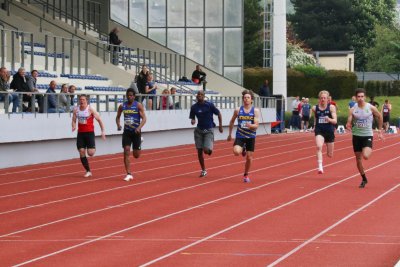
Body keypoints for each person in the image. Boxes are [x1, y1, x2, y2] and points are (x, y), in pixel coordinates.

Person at [346, 88, 384, 188]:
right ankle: (364, 178)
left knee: (366, 156)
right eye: (358, 97)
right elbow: (349, 119)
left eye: (362, 96)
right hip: (356, 136)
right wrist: (348, 124)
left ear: (365, 97)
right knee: (358, 159)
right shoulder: (353, 109)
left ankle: (366, 147)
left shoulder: (371, 108)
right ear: (355, 98)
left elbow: (380, 117)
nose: (360, 98)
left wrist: (380, 130)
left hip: (367, 135)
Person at [227, 90, 260, 183]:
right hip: (240, 135)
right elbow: (232, 121)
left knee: (249, 158)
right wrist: (229, 134)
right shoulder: (238, 110)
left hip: (251, 136)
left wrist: (251, 126)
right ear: (243, 99)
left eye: (248, 98)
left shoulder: (255, 111)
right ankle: (243, 148)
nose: (246, 99)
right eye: (245, 98)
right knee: (236, 152)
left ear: (251, 100)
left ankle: (246, 175)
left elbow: (256, 125)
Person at [189, 90, 223, 177]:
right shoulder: (194, 107)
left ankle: (209, 149)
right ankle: (203, 170)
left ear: (204, 96)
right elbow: (192, 117)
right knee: (199, 151)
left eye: (201, 94)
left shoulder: (209, 105)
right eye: (198, 94)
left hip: (208, 130)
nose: (199, 96)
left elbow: (218, 114)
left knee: (206, 150)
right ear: (196, 97)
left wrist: (220, 126)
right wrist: (193, 120)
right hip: (199, 130)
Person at [116, 88, 147, 181]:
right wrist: (118, 125)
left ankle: (139, 142)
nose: (130, 97)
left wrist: (139, 127)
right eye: (128, 95)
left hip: (136, 132)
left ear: (134, 96)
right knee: (126, 150)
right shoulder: (122, 106)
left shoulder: (138, 105)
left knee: (136, 155)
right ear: (126, 96)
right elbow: (117, 117)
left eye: (131, 95)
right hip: (127, 132)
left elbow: (144, 118)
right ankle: (128, 173)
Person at [72, 94, 106, 177]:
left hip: (89, 133)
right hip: (80, 133)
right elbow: (73, 120)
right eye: (80, 99)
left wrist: (103, 131)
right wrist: (73, 126)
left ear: (86, 101)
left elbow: (99, 120)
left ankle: (91, 147)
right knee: (81, 151)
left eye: (83, 99)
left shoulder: (90, 109)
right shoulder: (76, 109)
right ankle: (88, 171)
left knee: (90, 153)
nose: (82, 101)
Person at [312, 90, 337, 174]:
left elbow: (335, 121)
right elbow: (315, 118)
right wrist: (314, 125)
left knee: (330, 155)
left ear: (327, 99)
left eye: (324, 98)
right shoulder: (315, 108)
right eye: (321, 98)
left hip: (329, 131)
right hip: (320, 130)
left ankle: (327, 143)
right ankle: (320, 167)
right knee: (319, 147)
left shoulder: (331, 107)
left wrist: (329, 119)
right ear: (319, 99)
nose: (323, 99)